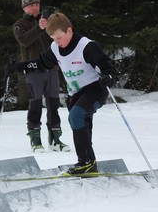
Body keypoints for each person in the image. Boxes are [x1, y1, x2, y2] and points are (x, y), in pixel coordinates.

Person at [7, 13, 116, 175]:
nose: (57, 42)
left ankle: (85, 162)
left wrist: (110, 76)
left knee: (76, 116)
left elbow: (108, 66)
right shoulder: (55, 48)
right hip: (76, 93)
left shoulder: (86, 46)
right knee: (81, 122)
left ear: (69, 31)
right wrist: (17, 67)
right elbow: (40, 63)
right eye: (53, 38)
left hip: (95, 89)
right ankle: (89, 164)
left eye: (59, 37)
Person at [12, 0, 70, 153]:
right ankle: (35, 139)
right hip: (33, 70)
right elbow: (24, 40)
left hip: (51, 68)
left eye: (37, 4)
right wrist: (38, 28)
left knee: (53, 105)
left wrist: (49, 26)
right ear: (24, 8)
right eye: (31, 5)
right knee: (35, 104)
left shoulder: (48, 21)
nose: (35, 7)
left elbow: (58, 39)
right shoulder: (19, 24)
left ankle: (55, 139)